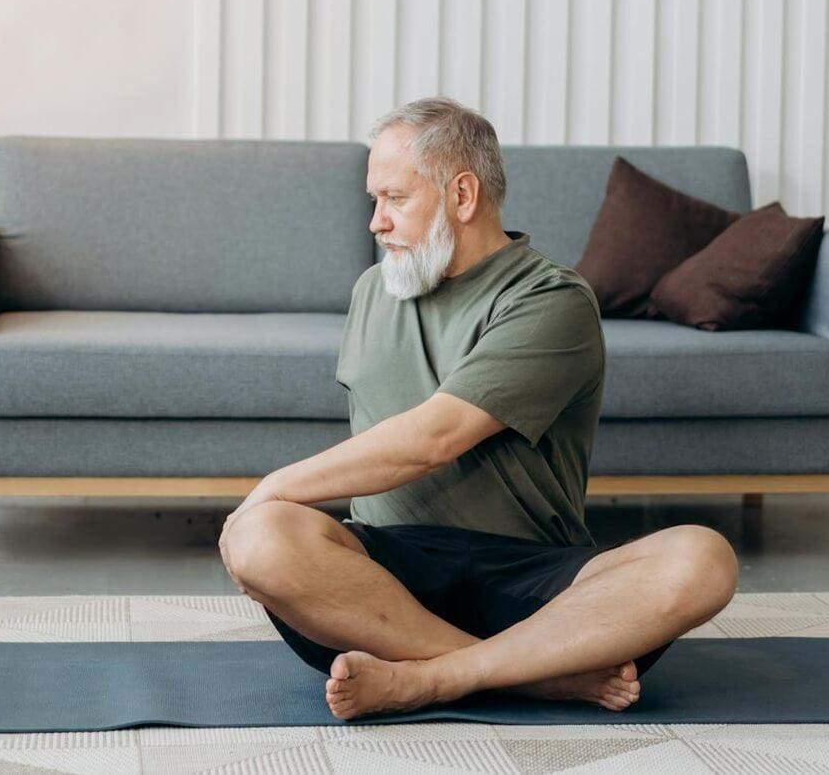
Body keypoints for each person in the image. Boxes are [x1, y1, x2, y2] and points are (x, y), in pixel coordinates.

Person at [216, 96, 739, 720]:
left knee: (703, 558)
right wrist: (261, 518)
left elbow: (433, 438)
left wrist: (268, 488)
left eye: (395, 198)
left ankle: (435, 678)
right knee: (261, 539)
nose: (376, 223)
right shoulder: (373, 291)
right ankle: (535, 676)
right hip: (384, 588)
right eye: (374, 200)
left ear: (463, 196)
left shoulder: (551, 299)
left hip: (534, 584)